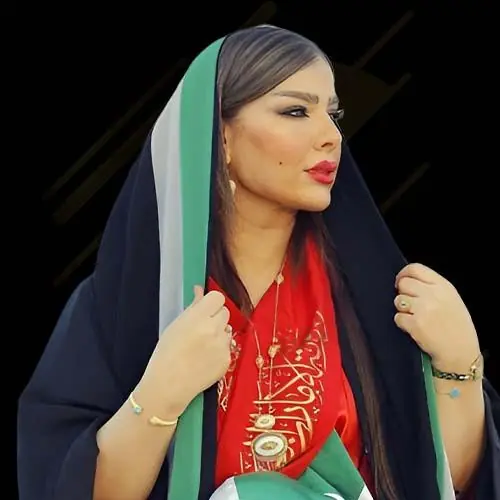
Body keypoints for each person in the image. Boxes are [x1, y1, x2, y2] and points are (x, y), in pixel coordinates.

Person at [17, 25, 499, 500]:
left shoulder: (374, 297)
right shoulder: (125, 309)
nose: (331, 136)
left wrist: (460, 365)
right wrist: (161, 394)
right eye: (295, 111)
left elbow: (449, 483)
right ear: (221, 137)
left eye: (332, 114)